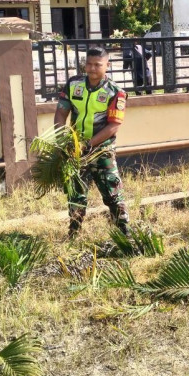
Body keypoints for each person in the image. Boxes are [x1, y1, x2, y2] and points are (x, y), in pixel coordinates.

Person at [54, 47, 130, 238]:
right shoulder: (74, 84)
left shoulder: (115, 92)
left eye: (98, 64)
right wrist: (62, 138)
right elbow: (61, 112)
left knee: (112, 193)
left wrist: (88, 144)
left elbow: (114, 126)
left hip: (102, 150)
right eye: (89, 64)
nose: (92, 68)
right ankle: (74, 232)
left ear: (107, 66)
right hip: (75, 150)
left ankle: (124, 234)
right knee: (75, 193)